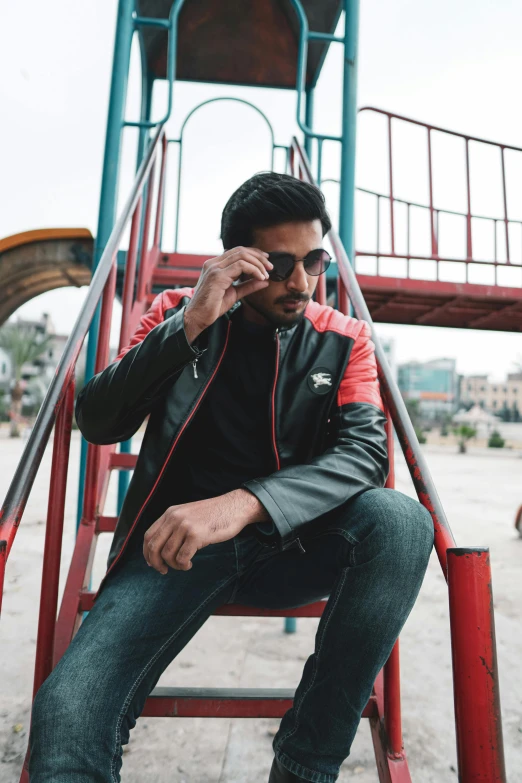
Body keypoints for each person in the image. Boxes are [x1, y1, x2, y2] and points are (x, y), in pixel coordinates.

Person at [29, 172, 433, 783]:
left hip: (295, 542)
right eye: (281, 265)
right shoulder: (175, 314)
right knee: (68, 712)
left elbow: (362, 457)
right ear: (238, 261)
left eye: (316, 261)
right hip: (173, 549)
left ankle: (304, 766)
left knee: (402, 520)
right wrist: (189, 325)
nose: (303, 283)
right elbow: (100, 422)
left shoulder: (344, 340)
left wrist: (242, 504)